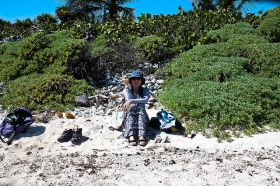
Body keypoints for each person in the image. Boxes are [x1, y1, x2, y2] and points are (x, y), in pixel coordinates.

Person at [122, 71, 150, 146]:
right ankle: (131, 135)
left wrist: (131, 101)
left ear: (141, 80)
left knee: (140, 106)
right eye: (134, 79)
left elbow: (145, 100)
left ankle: (141, 135)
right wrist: (126, 86)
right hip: (129, 116)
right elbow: (128, 99)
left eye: (138, 79)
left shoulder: (145, 90)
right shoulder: (126, 90)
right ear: (131, 81)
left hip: (142, 115)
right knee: (131, 107)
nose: (136, 81)